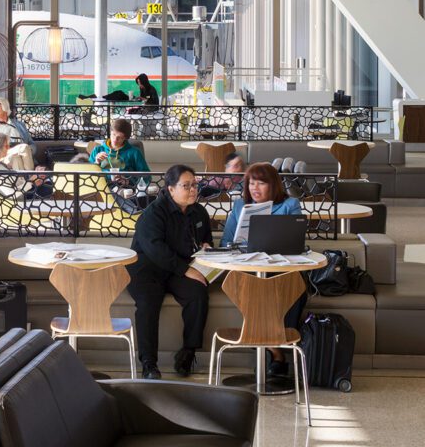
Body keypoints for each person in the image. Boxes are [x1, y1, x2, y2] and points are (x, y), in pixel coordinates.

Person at [221, 161, 306, 376]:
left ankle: (275, 345)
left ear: (273, 186)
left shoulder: (289, 205)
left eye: (261, 183)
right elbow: (226, 241)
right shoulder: (240, 206)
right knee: (252, 286)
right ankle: (275, 351)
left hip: (281, 266)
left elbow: (296, 241)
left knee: (295, 286)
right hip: (248, 266)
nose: (255, 189)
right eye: (251, 184)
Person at [127, 164, 212, 379]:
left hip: (179, 271)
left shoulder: (199, 212)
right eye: (186, 185)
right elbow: (155, 249)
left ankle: (187, 352)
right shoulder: (153, 213)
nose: (193, 189)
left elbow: (205, 241)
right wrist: (185, 270)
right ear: (171, 189)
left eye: (195, 185)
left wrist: (205, 248)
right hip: (147, 269)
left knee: (198, 293)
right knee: (147, 303)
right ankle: (149, 364)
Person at [0, 131, 51, 198]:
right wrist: (31, 181)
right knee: (51, 186)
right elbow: (12, 194)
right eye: (6, 146)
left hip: (24, 189)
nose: (8, 148)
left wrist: (33, 180)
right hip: (22, 197)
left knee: (49, 182)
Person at [88, 117, 152, 189]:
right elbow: (86, 176)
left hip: (125, 190)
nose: (115, 139)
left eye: (119, 137)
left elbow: (147, 177)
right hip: (101, 189)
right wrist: (96, 163)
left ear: (125, 138)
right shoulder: (97, 150)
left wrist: (128, 181)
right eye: (114, 135)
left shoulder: (134, 153)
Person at [0, 97, 36, 171]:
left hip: (21, 156)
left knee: (17, 157)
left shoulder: (20, 125)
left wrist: (28, 152)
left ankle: (25, 180)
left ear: (5, 107)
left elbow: (32, 144)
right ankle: (32, 177)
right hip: (2, 157)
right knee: (24, 147)